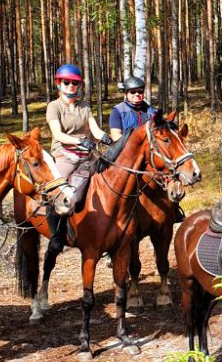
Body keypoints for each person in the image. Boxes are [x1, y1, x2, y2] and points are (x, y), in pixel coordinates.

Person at [45, 63, 113, 248]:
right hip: (65, 155)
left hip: (88, 155)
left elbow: (95, 130)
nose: (70, 86)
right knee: (55, 193)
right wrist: (79, 141)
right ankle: (56, 236)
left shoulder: (84, 107)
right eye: (66, 82)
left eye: (74, 83)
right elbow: (58, 134)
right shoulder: (54, 106)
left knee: (109, 184)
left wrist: (105, 137)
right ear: (59, 84)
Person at [109, 75, 158, 142]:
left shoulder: (152, 111)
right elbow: (115, 135)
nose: (137, 94)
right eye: (132, 92)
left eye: (140, 92)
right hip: (127, 148)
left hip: (149, 148)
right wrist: (134, 143)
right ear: (126, 94)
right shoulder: (117, 111)